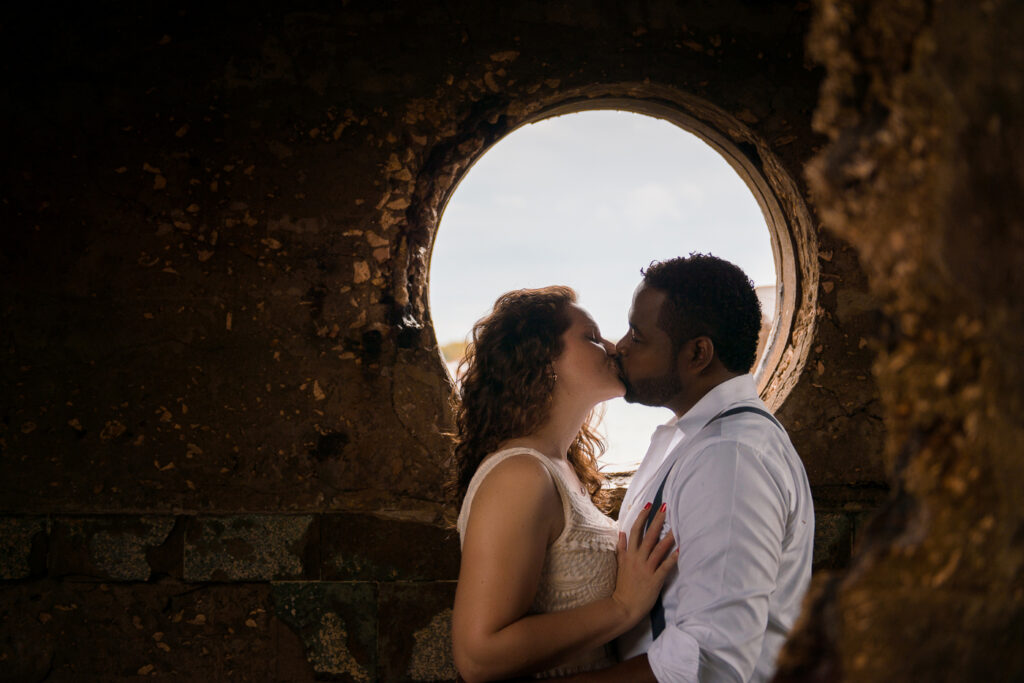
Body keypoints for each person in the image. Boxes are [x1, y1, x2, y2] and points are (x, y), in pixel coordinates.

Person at [567, 254, 814, 682]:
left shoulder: (730, 461)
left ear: (698, 353)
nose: (619, 347)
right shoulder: (694, 438)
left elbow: (710, 663)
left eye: (638, 336)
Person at [450, 286, 678, 682]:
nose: (612, 347)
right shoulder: (519, 475)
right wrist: (623, 607)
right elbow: (478, 657)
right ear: (544, 362)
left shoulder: (558, 468)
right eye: (591, 337)